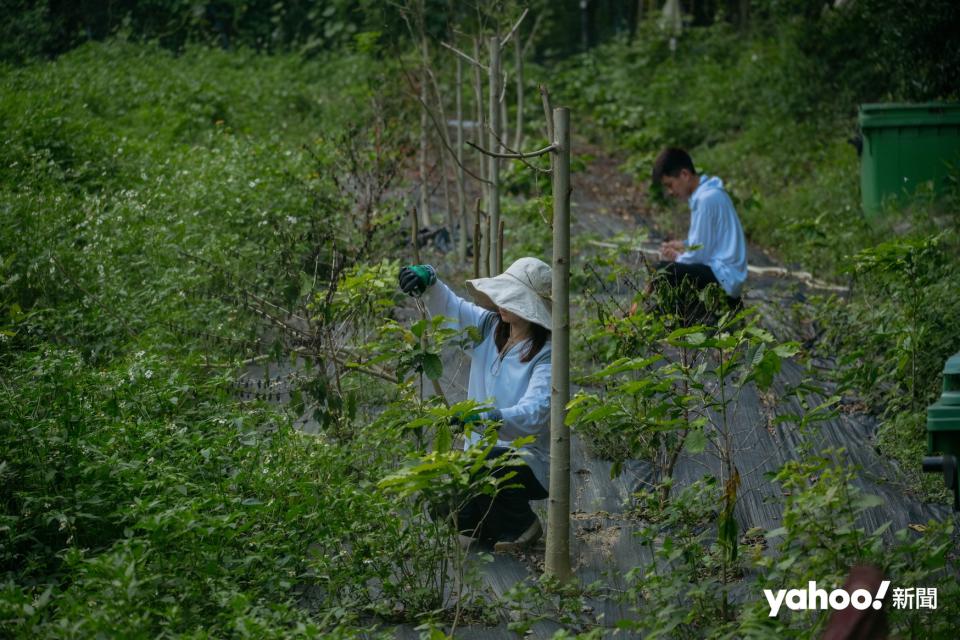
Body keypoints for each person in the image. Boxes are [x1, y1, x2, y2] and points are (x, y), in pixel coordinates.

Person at [398, 258, 551, 552]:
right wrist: (429, 280)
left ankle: (523, 525)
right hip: (479, 457)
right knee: (445, 507)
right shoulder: (489, 327)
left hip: (525, 458)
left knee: (488, 460)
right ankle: (494, 523)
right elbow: (452, 308)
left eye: (512, 298)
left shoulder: (545, 354)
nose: (501, 302)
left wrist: (487, 417)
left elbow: (535, 413)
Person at [650, 147, 748, 322]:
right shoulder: (708, 194)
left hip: (724, 277)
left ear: (685, 174)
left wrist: (677, 258)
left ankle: (677, 323)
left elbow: (699, 255)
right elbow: (707, 241)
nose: (670, 192)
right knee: (667, 271)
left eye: (670, 185)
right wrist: (683, 244)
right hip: (726, 275)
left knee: (663, 272)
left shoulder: (706, 200)